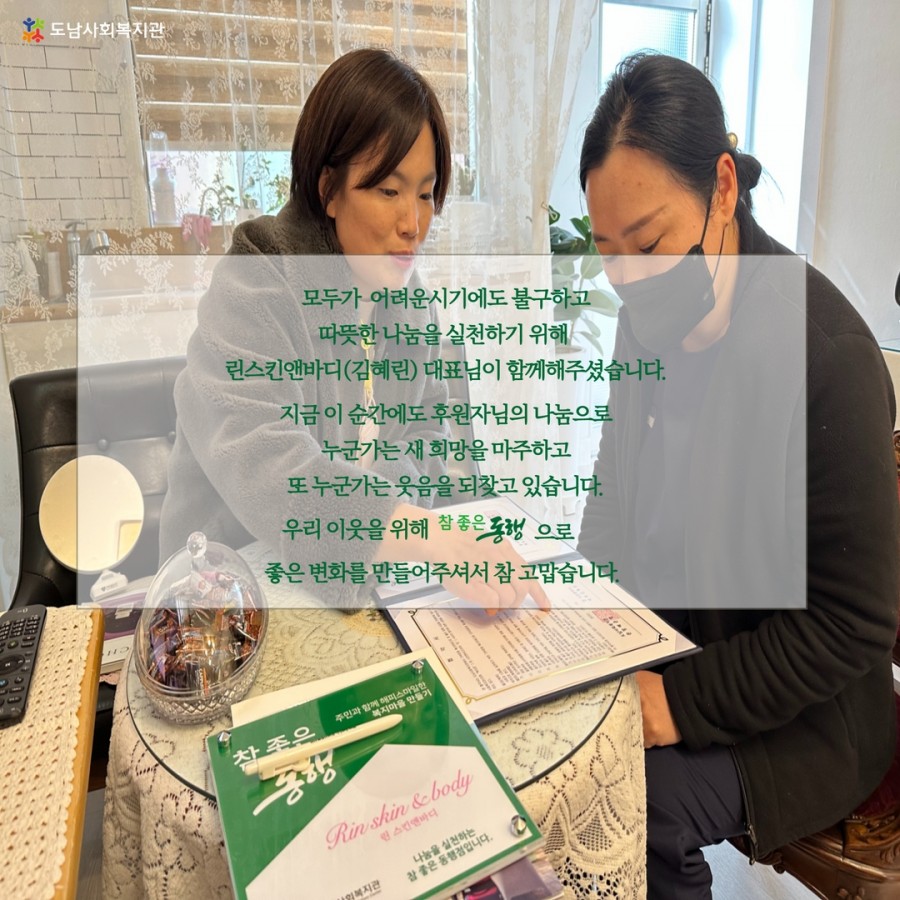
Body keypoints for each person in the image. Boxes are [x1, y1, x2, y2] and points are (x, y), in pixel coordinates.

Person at [575, 53, 899, 898]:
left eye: (650, 243)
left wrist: (675, 705)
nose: (631, 279)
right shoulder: (645, 323)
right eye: (608, 252)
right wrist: (581, 629)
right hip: (680, 646)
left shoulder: (825, 357)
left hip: (805, 712)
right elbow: (609, 507)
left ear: (723, 188)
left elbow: (853, 624)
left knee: (628, 805)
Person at [160, 49, 547, 612]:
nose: (413, 224)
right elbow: (263, 456)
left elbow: (431, 431)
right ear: (329, 189)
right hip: (230, 594)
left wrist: (389, 519)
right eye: (388, 191)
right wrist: (414, 530)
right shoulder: (259, 278)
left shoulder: (408, 297)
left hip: (371, 581)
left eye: (425, 193)